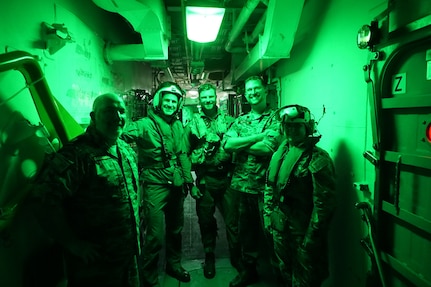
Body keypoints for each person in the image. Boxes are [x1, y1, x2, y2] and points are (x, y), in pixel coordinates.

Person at [28, 93, 141, 287]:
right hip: (95, 265)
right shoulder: (78, 154)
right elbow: (42, 199)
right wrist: (72, 243)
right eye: (108, 111)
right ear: (93, 116)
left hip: (127, 258)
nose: (117, 116)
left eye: (121, 111)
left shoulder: (125, 150)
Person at [121, 81, 198, 287]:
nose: (170, 104)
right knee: (155, 236)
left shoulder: (178, 125)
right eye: (167, 100)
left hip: (176, 183)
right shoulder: (144, 125)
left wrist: (190, 183)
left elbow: (182, 154)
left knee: (176, 229)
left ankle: (173, 264)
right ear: (158, 101)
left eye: (174, 101)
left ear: (178, 104)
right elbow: (121, 134)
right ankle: (149, 279)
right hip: (155, 184)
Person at [263, 104, 337, 287]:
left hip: (303, 232)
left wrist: (309, 243)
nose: (291, 130)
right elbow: (270, 187)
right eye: (288, 125)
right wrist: (268, 216)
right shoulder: (283, 152)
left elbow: (323, 206)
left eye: (297, 126)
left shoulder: (318, 158)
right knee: (284, 272)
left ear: (307, 127)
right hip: (280, 225)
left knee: (305, 280)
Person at [223, 76, 281, 287]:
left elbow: (268, 149)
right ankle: (249, 270)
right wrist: (257, 137)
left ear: (265, 91)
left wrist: (240, 144)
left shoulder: (276, 118)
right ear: (245, 95)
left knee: (272, 232)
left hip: (265, 188)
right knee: (245, 232)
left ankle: (280, 274)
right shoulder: (241, 120)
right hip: (242, 186)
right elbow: (227, 146)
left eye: (257, 88)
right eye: (249, 90)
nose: (253, 92)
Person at [183, 83, 238, 279]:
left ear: (215, 97)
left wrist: (233, 174)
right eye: (203, 97)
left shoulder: (230, 121)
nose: (207, 100)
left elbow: (238, 151)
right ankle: (209, 255)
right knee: (206, 220)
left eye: (210, 97)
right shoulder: (192, 125)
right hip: (205, 180)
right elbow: (184, 153)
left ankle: (236, 255)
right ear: (199, 100)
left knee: (233, 220)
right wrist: (191, 184)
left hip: (227, 179)